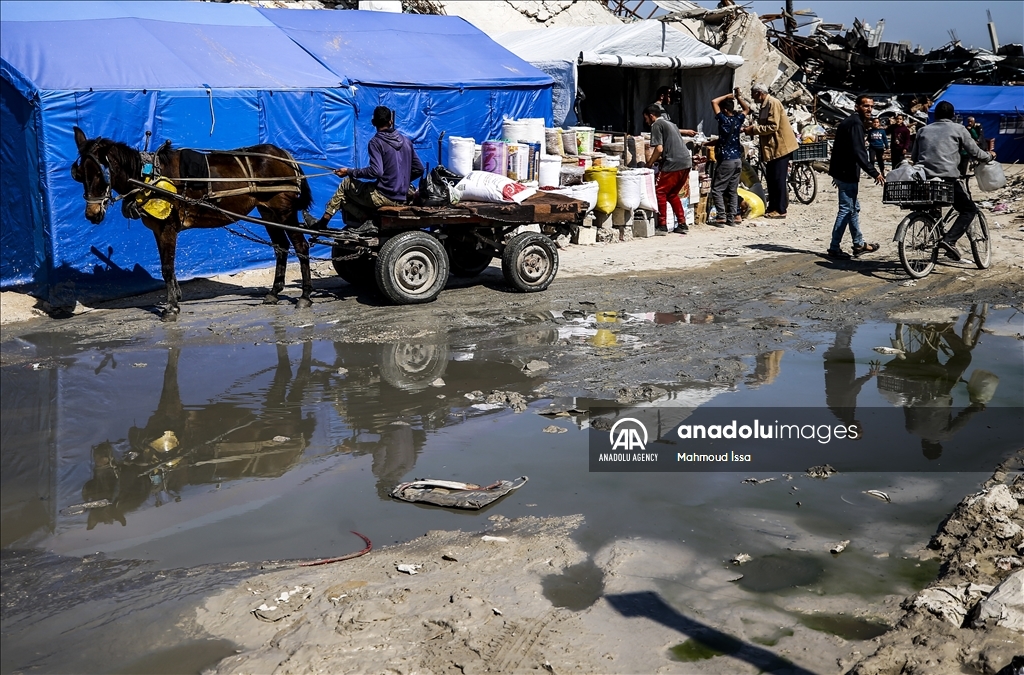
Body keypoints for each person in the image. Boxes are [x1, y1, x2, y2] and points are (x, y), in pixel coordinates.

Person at [312, 106, 423, 235]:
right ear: (391, 121)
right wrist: (401, 181)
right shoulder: (406, 141)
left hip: (384, 196)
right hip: (402, 195)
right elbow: (419, 169)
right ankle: (363, 221)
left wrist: (349, 171)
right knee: (343, 199)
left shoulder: (376, 142)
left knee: (346, 184)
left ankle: (323, 223)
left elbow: (376, 171)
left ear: (373, 123)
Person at [913, 101, 996, 261]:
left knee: (934, 206)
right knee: (969, 210)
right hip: (948, 179)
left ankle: (936, 234)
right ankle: (949, 240)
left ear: (935, 115)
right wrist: (990, 156)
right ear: (953, 116)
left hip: (923, 179)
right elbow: (976, 152)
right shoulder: (959, 129)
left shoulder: (923, 130)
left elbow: (915, 157)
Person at [826, 94, 884, 260]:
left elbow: (840, 149)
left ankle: (859, 244)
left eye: (871, 106)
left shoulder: (851, 122)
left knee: (853, 209)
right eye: (866, 106)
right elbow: (859, 152)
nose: (869, 109)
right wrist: (874, 172)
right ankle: (834, 247)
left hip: (842, 172)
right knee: (846, 210)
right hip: (847, 173)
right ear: (857, 106)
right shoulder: (855, 124)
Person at [742, 83, 798, 219]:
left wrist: (753, 130)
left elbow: (773, 126)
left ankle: (780, 210)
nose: (752, 97)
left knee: (778, 179)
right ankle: (773, 206)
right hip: (772, 149)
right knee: (772, 179)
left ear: (760, 93)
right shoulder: (765, 105)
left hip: (780, 148)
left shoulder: (773, 103)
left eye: (753, 94)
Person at [644, 104, 695, 234]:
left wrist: (650, 163)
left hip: (673, 163)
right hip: (686, 162)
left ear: (651, 116)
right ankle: (682, 223)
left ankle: (662, 225)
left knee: (660, 191)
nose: (646, 122)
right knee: (672, 194)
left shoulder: (656, 125)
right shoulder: (671, 124)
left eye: (646, 118)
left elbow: (659, 148)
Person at [709, 89, 749, 227]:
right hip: (737, 160)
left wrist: (727, 96)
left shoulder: (723, 119)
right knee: (732, 190)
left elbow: (714, 101)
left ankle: (721, 216)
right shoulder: (738, 120)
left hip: (726, 160)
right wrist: (738, 98)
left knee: (717, 189)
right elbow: (746, 109)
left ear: (725, 110)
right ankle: (732, 217)